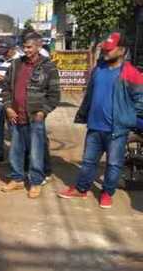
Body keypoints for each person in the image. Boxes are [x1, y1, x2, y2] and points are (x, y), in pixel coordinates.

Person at [58, 32, 143, 208]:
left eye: (109, 50)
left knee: (113, 163)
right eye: (105, 49)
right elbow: (90, 95)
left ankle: (107, 193)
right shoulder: (98, 70)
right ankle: (81, 189)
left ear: (121, 50)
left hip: (116, 129)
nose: (106, 52)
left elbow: (140, 99)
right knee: (88, 161)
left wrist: (128, 117)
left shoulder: (130, 73)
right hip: (95, 126)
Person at [0, 32, 60, 199]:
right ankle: (17, 178)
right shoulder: (16, 65)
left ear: (39, 46)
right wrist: (8, 107)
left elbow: (55, 95)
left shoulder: (49, 67)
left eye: (29, 47)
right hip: (15, 116)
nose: (26, 50)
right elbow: (5, 88)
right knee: (16, 150)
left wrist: (43, 112)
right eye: (24, 47)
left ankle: (35, 181)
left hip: (35, 118)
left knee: (36, 152)